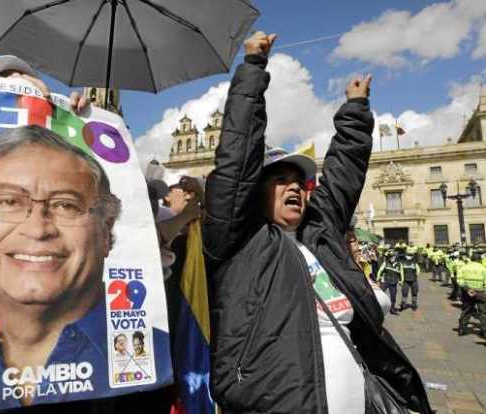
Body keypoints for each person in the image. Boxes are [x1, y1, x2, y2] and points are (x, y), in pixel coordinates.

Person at [203, 32, 431, 414]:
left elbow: (343, 173)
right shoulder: (240, 242)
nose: (293, 187)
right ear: (255, 193)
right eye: (279, 180)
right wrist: (254, 69)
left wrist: (356, 110)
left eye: (299, 182)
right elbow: (237, 158)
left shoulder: (318, 233)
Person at [0, 125, 171, 413]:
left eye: (66, 205)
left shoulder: (162, 359)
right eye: (7, 201)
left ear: (106, 230)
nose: (37, 229)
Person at [457, 253, 486, 337]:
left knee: (467, 310)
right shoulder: (483, 268)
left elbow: (459, 280)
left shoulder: (463, 267)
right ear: (479, 259)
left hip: (467, 292)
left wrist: (468, 289)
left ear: (471, 259)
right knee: (483, 312)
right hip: (480, 292)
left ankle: (462, 329)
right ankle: (484, 331)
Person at [377, 251, 403, 315]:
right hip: (385, 281)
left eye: (392, 256)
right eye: (390, 256)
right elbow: (380, 271)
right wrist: (378, 279)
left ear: (395, 257)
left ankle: (392, 309)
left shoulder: (399, 264)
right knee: (380, 295)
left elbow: (401, 273)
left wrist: (401, 281)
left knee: (393, 297)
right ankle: (377, 308)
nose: (391, 258)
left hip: (394, 283)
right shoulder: (385, 263)